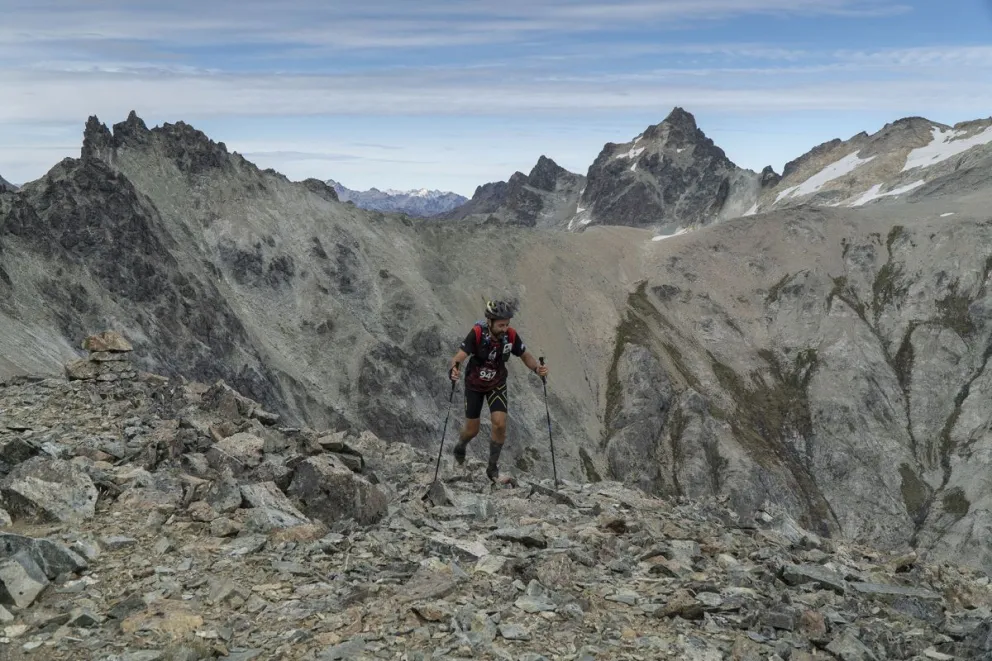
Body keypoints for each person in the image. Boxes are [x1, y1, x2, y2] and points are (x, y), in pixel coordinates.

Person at [448, 299, 549, 482]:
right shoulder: (477, 333)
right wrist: (454, 368)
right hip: (474, 385)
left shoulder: (511, 336)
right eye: (501, 325)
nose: (505, 328)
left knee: (500, 424)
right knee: (472, 430)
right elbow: (459, 356)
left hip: (497, 383)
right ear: (490, 321)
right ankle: (461, 446)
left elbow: (525, 355)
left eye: (507, 324)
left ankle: (492, 469)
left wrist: (537, 368)